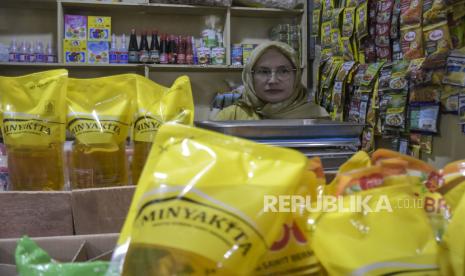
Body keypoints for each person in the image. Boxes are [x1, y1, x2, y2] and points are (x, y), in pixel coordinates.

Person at [215, 41, 328, 120]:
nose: (273, 81)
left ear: (296, 75)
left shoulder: (317, 117)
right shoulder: (230, 117)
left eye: (283, 71)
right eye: (264, 72)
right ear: (250, 77)